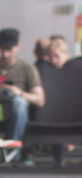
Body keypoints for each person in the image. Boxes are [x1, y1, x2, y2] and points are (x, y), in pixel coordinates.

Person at [0, 29, 45, 159]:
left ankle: (13, 153)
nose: (5, 54)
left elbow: (40, 99)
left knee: (19, 102)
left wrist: (19, 93)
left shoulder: (26, 68)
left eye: (9, 49)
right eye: (1, 49)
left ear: (17, 47)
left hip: (16, 110)